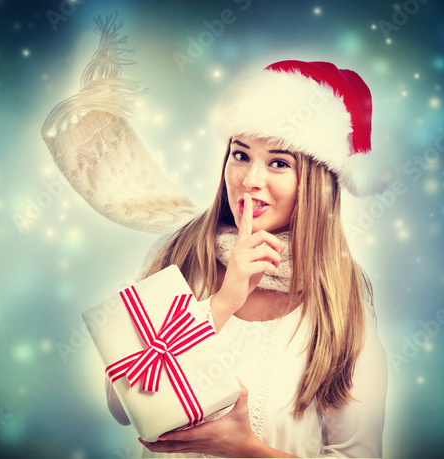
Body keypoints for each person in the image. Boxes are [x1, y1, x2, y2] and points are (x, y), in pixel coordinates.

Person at [41, 16, 390, 458]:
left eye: (279, 163)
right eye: (240, 155)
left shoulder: (342, 297)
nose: (250, 179)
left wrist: (244, 449)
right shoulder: (179, 254)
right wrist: (222, 302)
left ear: (316, 183)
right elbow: (122, 402)